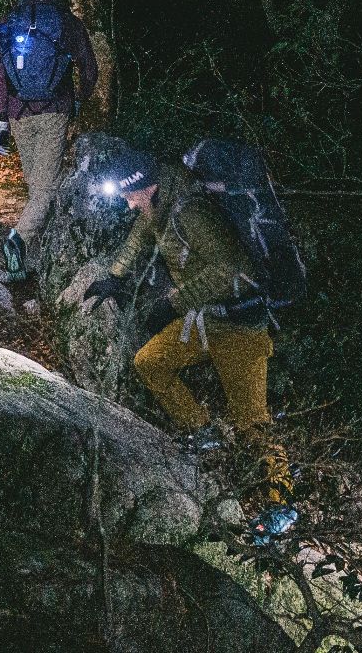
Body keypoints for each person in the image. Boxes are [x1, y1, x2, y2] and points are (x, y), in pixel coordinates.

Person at [84, 143, 295, 537]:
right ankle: (205, 434)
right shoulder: (157, 203)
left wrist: (174, 303)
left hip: (239, 328)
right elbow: (139, 236)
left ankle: (283, 506)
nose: (129, 205)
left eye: (131, 195)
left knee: (252, 423)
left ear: (145, 186)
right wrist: (115, 275)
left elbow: (235, 269)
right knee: (149, 362)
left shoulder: (191, 211)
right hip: (203, 323)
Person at [0, 0, 98, 286]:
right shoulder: (67, 23)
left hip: (18, 114)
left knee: (38, 187)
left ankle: (29, 261)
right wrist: (78, 99)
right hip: (55, 111)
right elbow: (90, 69)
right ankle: (16, 242)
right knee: (44, 191)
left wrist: (0, 122)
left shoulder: (8, 24)